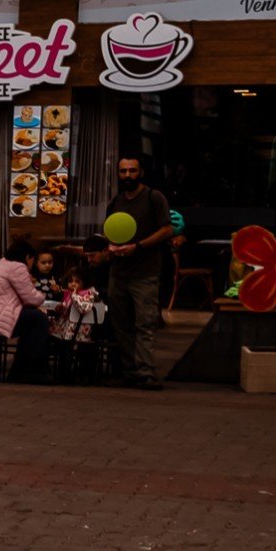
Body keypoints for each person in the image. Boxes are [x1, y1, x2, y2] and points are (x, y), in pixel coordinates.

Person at [104, 153, 174, 389]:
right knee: (121, 324)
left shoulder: (154, 198)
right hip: (119, 272)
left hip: (145, 273)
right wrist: (111, 247)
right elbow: (110, 233)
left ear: (141, 172)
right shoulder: (115, 202)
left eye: (132, 171)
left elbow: (166, 230)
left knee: (145, 324)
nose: (127, 176)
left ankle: (146, 373)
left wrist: (138, 247)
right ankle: (130, 370)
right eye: (123, 171)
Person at [0, 237, 53, 384]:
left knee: (32, 321)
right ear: (28, 258)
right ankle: (27, 370)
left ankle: (20, 371)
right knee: (39, 320)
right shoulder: (17, 267)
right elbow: (30, 298)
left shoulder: (2, 264)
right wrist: (42, 296)